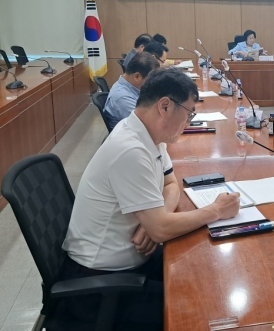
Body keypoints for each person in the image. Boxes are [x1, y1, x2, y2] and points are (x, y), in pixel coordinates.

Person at [61, 68, 241, 327]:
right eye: (189, 113)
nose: (189, 122)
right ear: (165, 106)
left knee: (204, 276)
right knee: (199, 310)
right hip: (101, 285)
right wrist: (216, 210)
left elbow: (171, 184)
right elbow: (160, 229)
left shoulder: (149, 135)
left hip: (132, 263)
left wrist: (157, 220)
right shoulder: (130, 150)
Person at [104, 52, 160, 130]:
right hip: (135, 135)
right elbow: (148, 126)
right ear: (137, 76)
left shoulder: (132, 87)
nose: (152, 83)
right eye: (151, 80)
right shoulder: (122, 98)